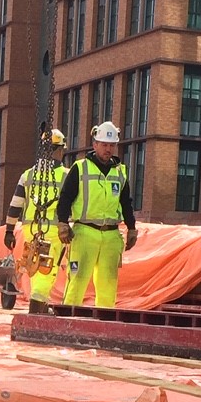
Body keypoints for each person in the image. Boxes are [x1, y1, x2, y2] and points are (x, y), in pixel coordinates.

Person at [55, 120, 138, 307]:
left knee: (108, 283)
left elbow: (126, 203)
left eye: (111, 145)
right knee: (77, 280)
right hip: (85, 232)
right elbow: (66, 197)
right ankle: (68, 320)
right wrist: (62, 222)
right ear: (95, 145)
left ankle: (104, 324)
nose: (108, 149)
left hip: (111, 234)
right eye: (104, 145)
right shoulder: (80, 167)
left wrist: (132, 228)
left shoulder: (120, 172)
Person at [4, 128, 68, 303]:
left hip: (31, 228)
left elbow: (15, 205)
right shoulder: (66, 175)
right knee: (48, 266)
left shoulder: (28, 174)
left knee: (33, 263)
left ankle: (39, 299)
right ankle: (38, 302)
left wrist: (9, 230)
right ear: (60, 150)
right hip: (54, 229)